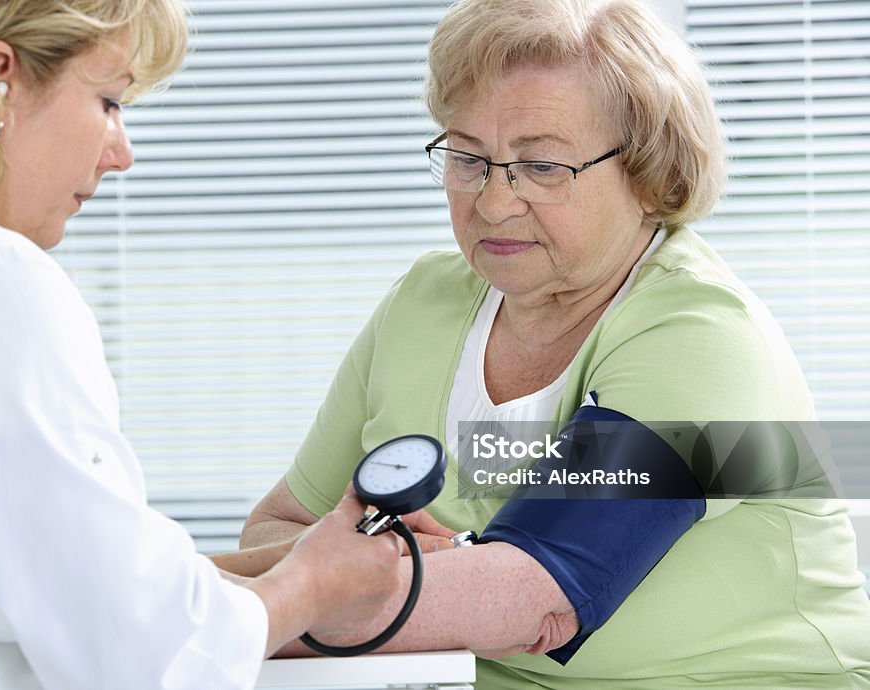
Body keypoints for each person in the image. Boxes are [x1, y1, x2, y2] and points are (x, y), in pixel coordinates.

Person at [241, 0, 870, 686]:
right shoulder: (423, 303)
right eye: (467, 157)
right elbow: (282, 528)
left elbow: (531, 596)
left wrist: (214, 609)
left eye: (541, 166)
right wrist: (395, 575)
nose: (492, 202)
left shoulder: (702, 334)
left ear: (648, 173)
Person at [0, 2, 407, 688]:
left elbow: (32, 579)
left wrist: (273, 568)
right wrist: (311, 590)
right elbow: (136, 655)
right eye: (108, 101)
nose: (123, 152)